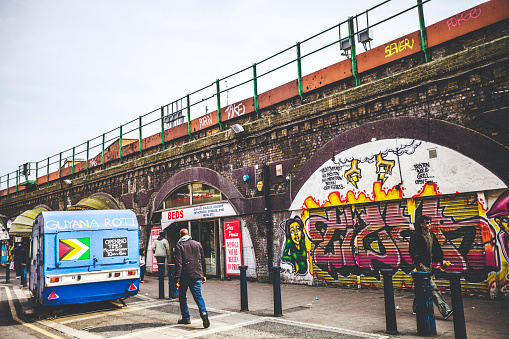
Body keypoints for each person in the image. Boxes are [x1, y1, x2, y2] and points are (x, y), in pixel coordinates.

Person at [409, 215, 453, 319]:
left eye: (430, 222)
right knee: (432, 287)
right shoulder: (416, 236)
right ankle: (445, 310)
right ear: (421, 224)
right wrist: (418, 262)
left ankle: (416, 308)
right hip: (421, 265)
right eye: (427, 223)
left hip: (429, 264)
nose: (429, 225)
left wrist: (442, 259)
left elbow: (436, 248)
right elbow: (412, 251)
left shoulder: (431, 235)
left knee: (421, 286)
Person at [174, 228, 209, 328]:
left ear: (180, 235)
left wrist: (177, 280)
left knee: (182, 297)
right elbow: (202, 260)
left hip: (185, 276)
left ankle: (186, 318)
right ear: (189, 234)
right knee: (198, 296)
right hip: (197, 274)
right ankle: (204, 313)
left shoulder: (179, 246)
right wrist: (204, 275)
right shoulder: (197, 244)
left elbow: (179, 264)